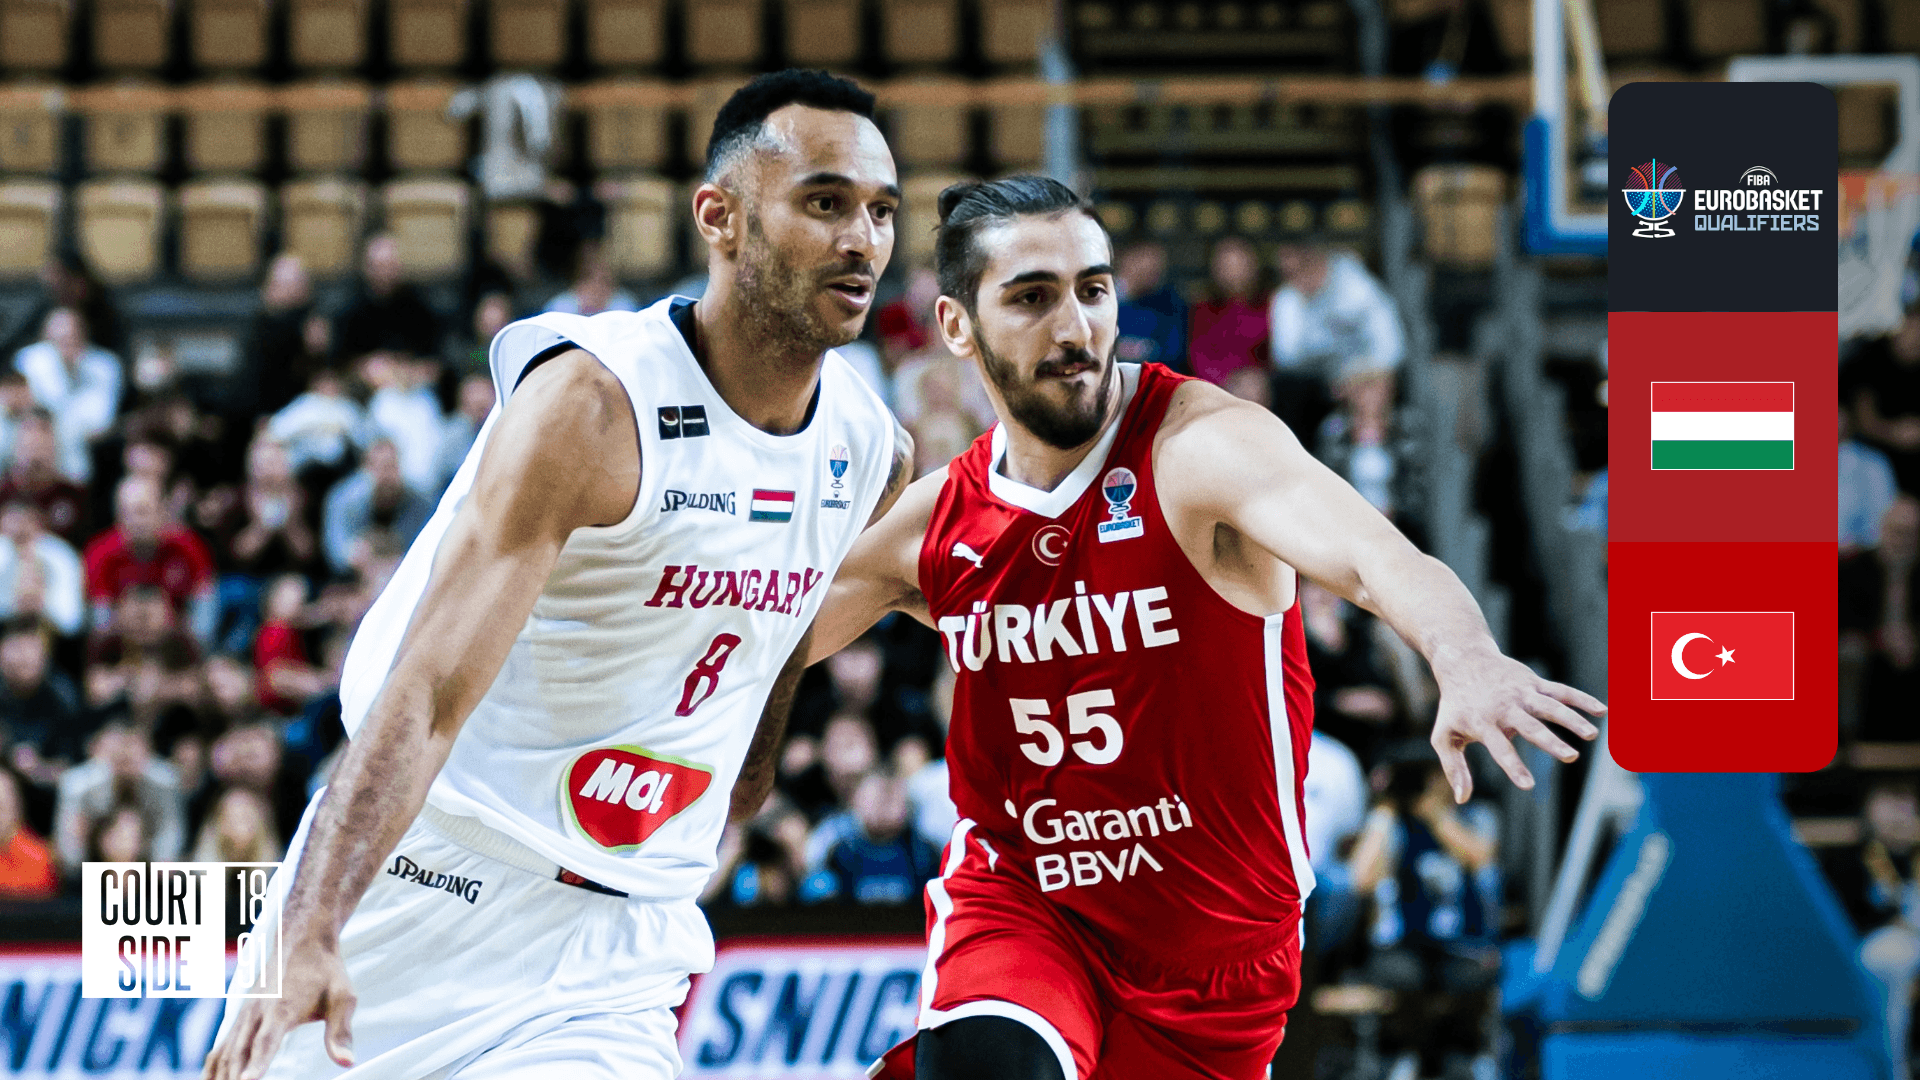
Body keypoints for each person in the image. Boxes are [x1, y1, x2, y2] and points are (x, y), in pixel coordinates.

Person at [807, 176, 1604, 1080]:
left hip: (1216, 958)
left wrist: (1466, 656)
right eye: (1032, 298)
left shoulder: (1200, 448)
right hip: (1029, 900)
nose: (1075, 328)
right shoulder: (933, 526)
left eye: (1093, 289)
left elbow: (1375, 557)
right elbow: (753, 646)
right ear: (957, 326)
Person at [203, 69, 913, 1080]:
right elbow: (425, 694)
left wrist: (739, 784)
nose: (862, 240)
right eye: (826, 202)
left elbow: (778, 636)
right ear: (719, 218)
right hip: (420, 884)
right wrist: (310, 926)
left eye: (882, 211)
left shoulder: (870, 449)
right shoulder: (592, 404)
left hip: (616, 953)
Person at [11, 307, 121, 483]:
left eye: (73, 335)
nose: (67, 342)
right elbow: (23, 409)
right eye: (59, 338)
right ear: (45, 336)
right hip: (29, 457)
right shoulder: (28, 359)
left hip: (78, 463)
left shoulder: (105, 365)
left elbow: (100, 424)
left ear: (84, 335)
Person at [332, 234, 445, 365]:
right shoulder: (349, 306)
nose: (385, 274)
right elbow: (339, 361)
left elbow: (437, 357)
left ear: (400, 268)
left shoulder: (421, 305)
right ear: (367, 269)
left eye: (391, 266)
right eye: (379, 266)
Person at [1113, 240, 1187, 373]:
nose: (1151, 266)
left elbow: (1173, 352)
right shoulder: (1103, 298)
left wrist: (1139, 350)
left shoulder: (1170, 303)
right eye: (1142, 258)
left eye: (1157, 262)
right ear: (1125, 259)